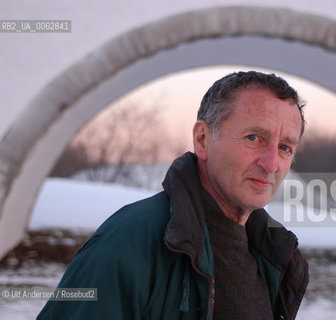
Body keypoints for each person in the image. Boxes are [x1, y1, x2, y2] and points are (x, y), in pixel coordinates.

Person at [37, 71, 309, 320]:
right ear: (203, 139)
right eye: (254, 138)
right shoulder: (129, 244)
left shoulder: (274, 256)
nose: (271, 163)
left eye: (285, 147)